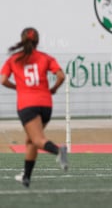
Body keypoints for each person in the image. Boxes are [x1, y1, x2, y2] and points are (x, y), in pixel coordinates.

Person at [0, 27, 68, 188]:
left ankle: (59, 151)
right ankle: (26, 177)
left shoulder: (14, 59)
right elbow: (61, 76)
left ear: (22, 40)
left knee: (37, 139)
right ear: (37, 41)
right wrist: (54, 88)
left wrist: (17, 87)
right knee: (31, 140)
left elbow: (2, 80)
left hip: (27, 104)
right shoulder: (45, 58)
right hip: (46, 104)